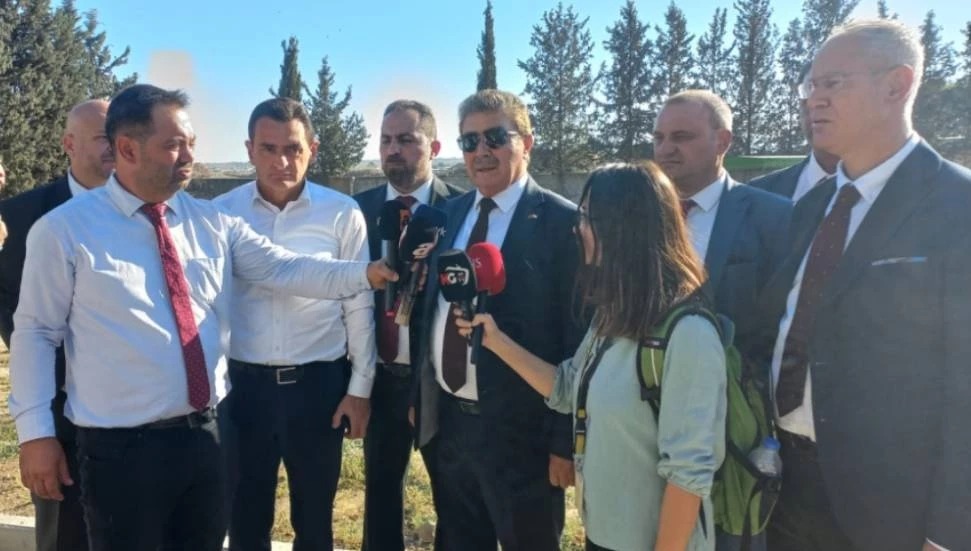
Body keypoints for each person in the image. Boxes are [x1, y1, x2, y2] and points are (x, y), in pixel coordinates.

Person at [7, 84, 396, 551]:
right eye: (174, 144)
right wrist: (36, 434)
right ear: (127, 149)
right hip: (120, 450)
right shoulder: (66, 230)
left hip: (207, 437)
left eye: (191, 142)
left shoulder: (210, 221)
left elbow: (285, 268)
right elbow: (36, 334)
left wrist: (368, 273)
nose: (190, 155)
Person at [760, 19, 971, 551]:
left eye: (833, 83)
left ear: (897, 85)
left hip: (892, 508)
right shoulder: (811, 207)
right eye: (811, 85)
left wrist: (949, 529)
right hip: (785, 484)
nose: (814, 99)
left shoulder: (957, 206)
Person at [456, 162, 726, 551]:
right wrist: (496, 341)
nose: (576, 228)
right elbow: (568, 387)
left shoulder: (689, 333)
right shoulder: (612, 315)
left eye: (586, 217)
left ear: (624, 227)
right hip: (602, 535)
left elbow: (688, 475)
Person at [414, 89, 585, 551]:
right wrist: (422, 399)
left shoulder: (563, 223)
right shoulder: (449, 215)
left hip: (525, 439)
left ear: (526, 143)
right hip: (451, 429)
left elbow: (575, 339)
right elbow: (431, 313)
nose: (481, 151)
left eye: (494, 137)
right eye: (469, 141)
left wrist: (564, 443)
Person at [213, 97, 376, 551]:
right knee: (244, 520)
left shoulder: (342, 213)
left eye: (293, 149)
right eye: (268, 149)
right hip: (243, 390)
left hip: (317, 388)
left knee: (315, 520)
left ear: (312, 150)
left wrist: (360, 388)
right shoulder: (221, 214)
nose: (281, 161)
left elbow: (358, 302)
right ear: (249, 150)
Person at [0, 98, 113, 551]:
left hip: (150, 423)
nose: (115, 146)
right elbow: (14, 311)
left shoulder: (154, 211)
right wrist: (37, 430)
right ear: (69, 144)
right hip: (60, 417)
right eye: (102, 137)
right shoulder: (20, 218)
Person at [353, 99, 463, 551]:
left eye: (406, 139)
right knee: (379, 493)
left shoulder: (458, 210)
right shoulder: (356, 211)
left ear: (434, 147)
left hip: (436, 379)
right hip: (378, 377)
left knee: (452, 497)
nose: (392, 149)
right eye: (385, 140)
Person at [652, 90, 791, 357]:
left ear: (722, 142)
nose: (666, 149)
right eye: (659, 138)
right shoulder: (637, 214)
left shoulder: (773, 217)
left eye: (681, 137)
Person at [748, 66, 839, 201]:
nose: (816, 102)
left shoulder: (871, 195)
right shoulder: (759, 194)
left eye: (833, 85)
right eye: (809, 89)